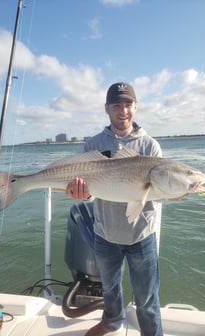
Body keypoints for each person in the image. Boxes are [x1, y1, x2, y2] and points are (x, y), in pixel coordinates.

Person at [66, 82, 163, 336]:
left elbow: (157, 191)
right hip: (105, 233)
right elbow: (86, 194)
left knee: (147, 299)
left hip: (141, 236)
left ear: (136, 107)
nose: (123, 111)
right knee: (110, 289)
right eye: (117, 105)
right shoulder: (94, 144)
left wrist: (173, 192)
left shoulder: (150, 147)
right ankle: (112, 322)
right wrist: (81, 193)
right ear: (107, 108)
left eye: (128, 104)